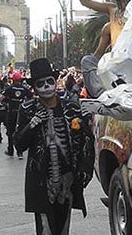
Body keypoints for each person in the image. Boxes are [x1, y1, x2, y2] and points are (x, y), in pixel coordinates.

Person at [14, 58, 94, 235]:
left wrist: (84, 170)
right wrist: (33, 124)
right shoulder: (27, 109)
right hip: (41, 181)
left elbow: (86, 140)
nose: (46, 87)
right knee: (45, 230)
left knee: (63, 229)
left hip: (67, 180)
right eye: (40, 84)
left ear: (55, 81)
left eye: (49, 81)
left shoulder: (72, 108)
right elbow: (18, 144)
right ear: (34, 87)